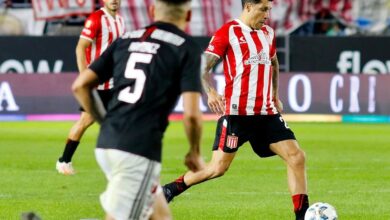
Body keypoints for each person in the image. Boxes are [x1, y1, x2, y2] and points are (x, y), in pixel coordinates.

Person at [162, 0, 310, 219]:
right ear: (248, 6)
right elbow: (202, 66)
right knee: (217, 168)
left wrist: (275, 95)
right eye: (263, 9)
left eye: (269, 9)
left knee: (297, 157)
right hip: (237, 114)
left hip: (266, 113)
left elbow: (274, 63)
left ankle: (303, 215)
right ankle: (170, 189)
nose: (268, 14)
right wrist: (210, 91)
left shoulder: (268, 33)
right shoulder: (228, 32)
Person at [71, 0, 205, 219]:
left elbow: (80, 85)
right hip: (137, 151)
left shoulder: (127, 38)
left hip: (107, 143)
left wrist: (105, 123)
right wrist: (195, 152)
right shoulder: (187, 47)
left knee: (161, 216)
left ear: (152, 11)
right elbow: (191, 115)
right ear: (188, 16)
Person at [56, 0, 125, 175]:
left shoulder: (121, 20)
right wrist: (84, 77)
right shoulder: (95, 19)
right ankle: (64, 160)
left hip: (114, 83)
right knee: (86, 121)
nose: (114, 0)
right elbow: (80, 48)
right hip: (97, 83)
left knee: (121, 121)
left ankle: (120, 163)